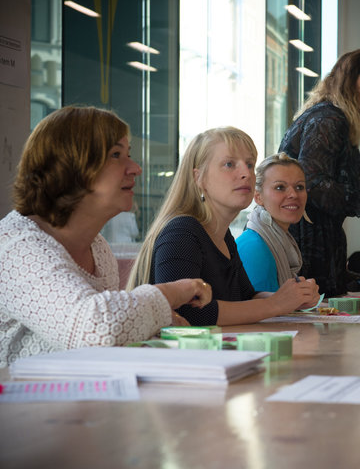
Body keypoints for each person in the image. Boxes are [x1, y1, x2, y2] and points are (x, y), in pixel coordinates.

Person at [0, 106, 212, 367]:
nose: (135, 168)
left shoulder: (98, 249)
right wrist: (170, 292)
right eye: (116, 155)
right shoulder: (16, 245)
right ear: (70, 166)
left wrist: (155, 322)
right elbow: (93, 328)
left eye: (129, 155)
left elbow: (103, 344)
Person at [128, 127, 320, 326]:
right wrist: (276, 304)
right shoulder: (181, 232)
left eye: (249, 164)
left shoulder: (223, 236)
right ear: (198, 177)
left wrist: (293, 298)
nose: (246, 173)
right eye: (229, 164)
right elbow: (188, 313)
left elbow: (246, 297)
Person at [278, 48, 360, 297]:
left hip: (318, 263)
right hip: (304, 261)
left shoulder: (333, 120)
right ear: (348, 83)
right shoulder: (329, 120)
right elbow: (312, 185)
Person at [235, 153, 308, 292]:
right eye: (280, 187)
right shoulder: (254, 247)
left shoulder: (280, 240)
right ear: (258, 197)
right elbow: (262, 310)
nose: (293, 194)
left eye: (299, 187)